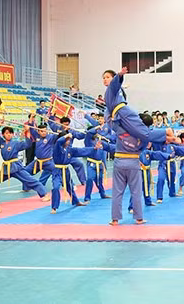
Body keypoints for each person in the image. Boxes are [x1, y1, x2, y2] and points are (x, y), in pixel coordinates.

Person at [103, 67, 174, 225]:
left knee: (117, 192)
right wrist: (120, 77)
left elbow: (110, 119)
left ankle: (115, 219)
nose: (105, 80)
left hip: (119, 159)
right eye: (104, 78)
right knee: (146, 135)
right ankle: (139, 218)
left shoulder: (120, 131)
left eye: (107, 77)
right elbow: (145, 144)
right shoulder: (111, 93)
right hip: (133, 160)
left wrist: (120, 79)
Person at [0, 126, 48, 200]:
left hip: (16, 167)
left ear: (13, 134)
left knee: (30, 180)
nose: (9, 135)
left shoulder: (16, 143)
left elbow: (28, 144)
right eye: (6, 133)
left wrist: (27, 131)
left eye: (10, 133)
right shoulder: (1, 143)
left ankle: (44, 194)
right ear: (3, 135)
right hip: (7, 168)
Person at [49, 133, 86, 214]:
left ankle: (76, 201)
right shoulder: (57, 147)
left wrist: (94, 149)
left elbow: (81, 151)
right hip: (57, 170)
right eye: (67, 140)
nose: (69, 141)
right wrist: (67, 135)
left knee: (70, 187)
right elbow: (59, 141)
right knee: (55, 187)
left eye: (69, 140)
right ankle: (54, 207)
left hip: (66, 170)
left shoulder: (69, 149)